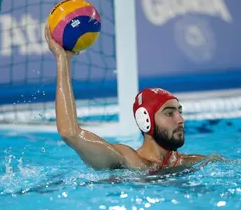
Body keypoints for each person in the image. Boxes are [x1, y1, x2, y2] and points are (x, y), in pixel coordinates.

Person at [44, 23, 225, 175]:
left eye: (180, 111)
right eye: (169, 113)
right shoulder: (126, 160)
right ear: (145, 120)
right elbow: (70, 133)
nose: (180, 120)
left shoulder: (192, 162)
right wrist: (62, 60)